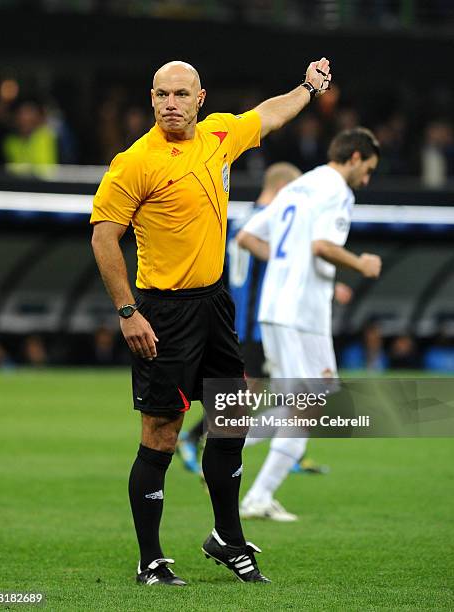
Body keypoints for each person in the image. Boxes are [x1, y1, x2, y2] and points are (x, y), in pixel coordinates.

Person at [90, 58, 332, 586]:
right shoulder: (135, 162)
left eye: (179, 94)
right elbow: (104, 236)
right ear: (150, 99)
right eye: (160, 94)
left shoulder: (220, 132)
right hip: (162, 312)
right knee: (162, 431)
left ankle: (226, 537)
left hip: (214, 306)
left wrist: (308, 89)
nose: (169, 104)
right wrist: (128, 312)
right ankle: (149, 560)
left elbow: (267, 116)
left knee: (232, 417)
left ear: (200, 98)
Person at [237, 127, 382, 521]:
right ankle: (255, 491)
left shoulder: (298, 186)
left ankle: (230, 446)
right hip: (300, 314)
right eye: (367, 169)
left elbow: (248, 237)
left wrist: (287, 265)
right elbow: (323, 246)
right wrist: (361, 264)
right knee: (310, 405)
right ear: (354, 158)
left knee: (304, 402)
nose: (366, 179)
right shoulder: (336, 190)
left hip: (280, 309)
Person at [177, 162, 301, 474]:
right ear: (285, 189)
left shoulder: (241, 219)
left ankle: (289, 450)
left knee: (266, 390)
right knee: (250, 393)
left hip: (237, 316)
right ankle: (196, 439)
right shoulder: (268, 223)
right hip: (255, 323)